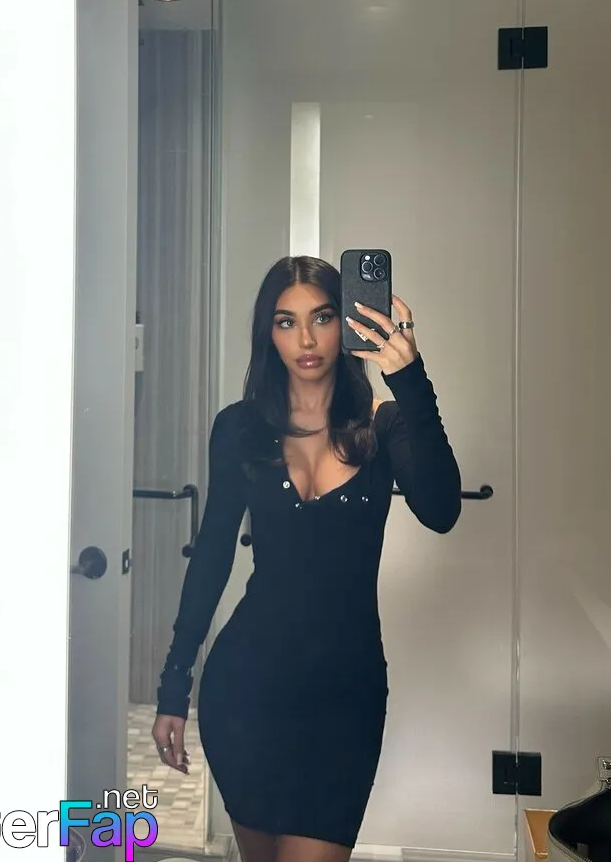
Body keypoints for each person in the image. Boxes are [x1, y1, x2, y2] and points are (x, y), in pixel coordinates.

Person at [151, 256, 462, 862]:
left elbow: (441, 508)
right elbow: (211, 557)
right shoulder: (238, 429)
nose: (307, 340)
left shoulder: (384, 424)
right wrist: (173, 687)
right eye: (286, 322)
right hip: (246, 690)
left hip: (346, 697)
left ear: (345, 323)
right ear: (267, 333)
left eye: (321, 318)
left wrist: (410, 378)